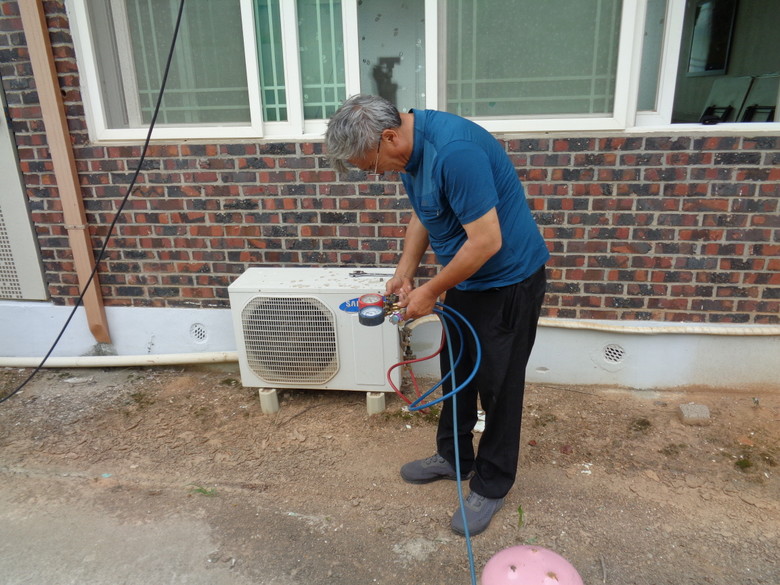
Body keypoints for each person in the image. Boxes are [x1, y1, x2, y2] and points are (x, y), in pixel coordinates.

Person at [325, 94, 549, 536]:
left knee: (499, 386)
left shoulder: (454, 153)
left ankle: (492, 484)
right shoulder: (411, 154)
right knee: (457, 369)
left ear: (389, 137)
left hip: (508, 281)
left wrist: (430, 290)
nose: (375, 174)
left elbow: (486, 241)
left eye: (370, 166)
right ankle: (454, 458)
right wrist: (405, 273)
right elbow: (424, 213)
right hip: (467, 279)